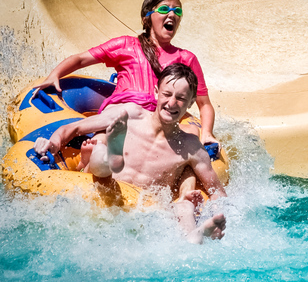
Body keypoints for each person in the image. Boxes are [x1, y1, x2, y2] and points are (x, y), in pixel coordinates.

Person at [40, 63, 228, 244]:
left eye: (180, 98)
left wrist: (217, 213)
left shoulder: (191, 147)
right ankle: (111, 157)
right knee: (99, 152)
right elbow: (74, 128)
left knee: (182, 206)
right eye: (167, 94)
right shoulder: (130, 115)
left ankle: (194, 237)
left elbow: (217, 191)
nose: (171, 103)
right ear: (156, 92)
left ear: (191, 102)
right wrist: (52, 144)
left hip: (140, 213)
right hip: (101, 188)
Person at [33, 0, 219, 148]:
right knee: (103, 143)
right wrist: (55, 74)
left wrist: (207, 133)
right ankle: (70, 150)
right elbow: (81, 59)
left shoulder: (186, 58)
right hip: (120, 113)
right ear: (147, 17)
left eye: (177, 11)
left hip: (156, 122)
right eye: (164, 9)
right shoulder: (127, 45)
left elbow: (204, 104)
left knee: (189, 140)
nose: (172, 15)